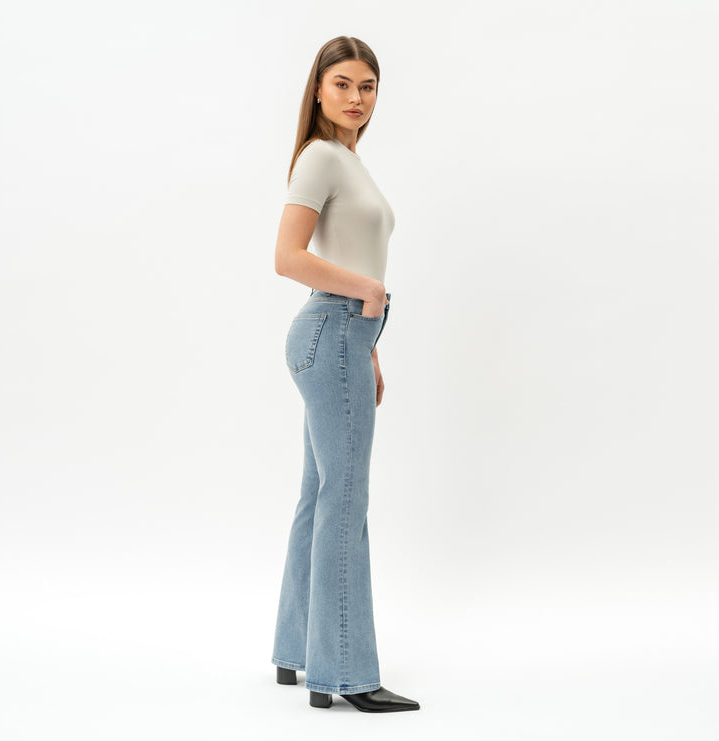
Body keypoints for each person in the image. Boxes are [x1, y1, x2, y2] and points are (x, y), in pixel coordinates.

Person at [270, 36, 421, 713]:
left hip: (343, 336)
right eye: (342, 84)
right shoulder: (320, 157)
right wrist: (368, 293)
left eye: (368, 86)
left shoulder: (348, 160)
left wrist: (371, 345)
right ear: (318, 89)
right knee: (345, 499)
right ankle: (346, 670)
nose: (356, 97)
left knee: (320, 494)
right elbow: (287, 256)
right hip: (332, 329)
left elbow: (351, 257)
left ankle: (297, 650)